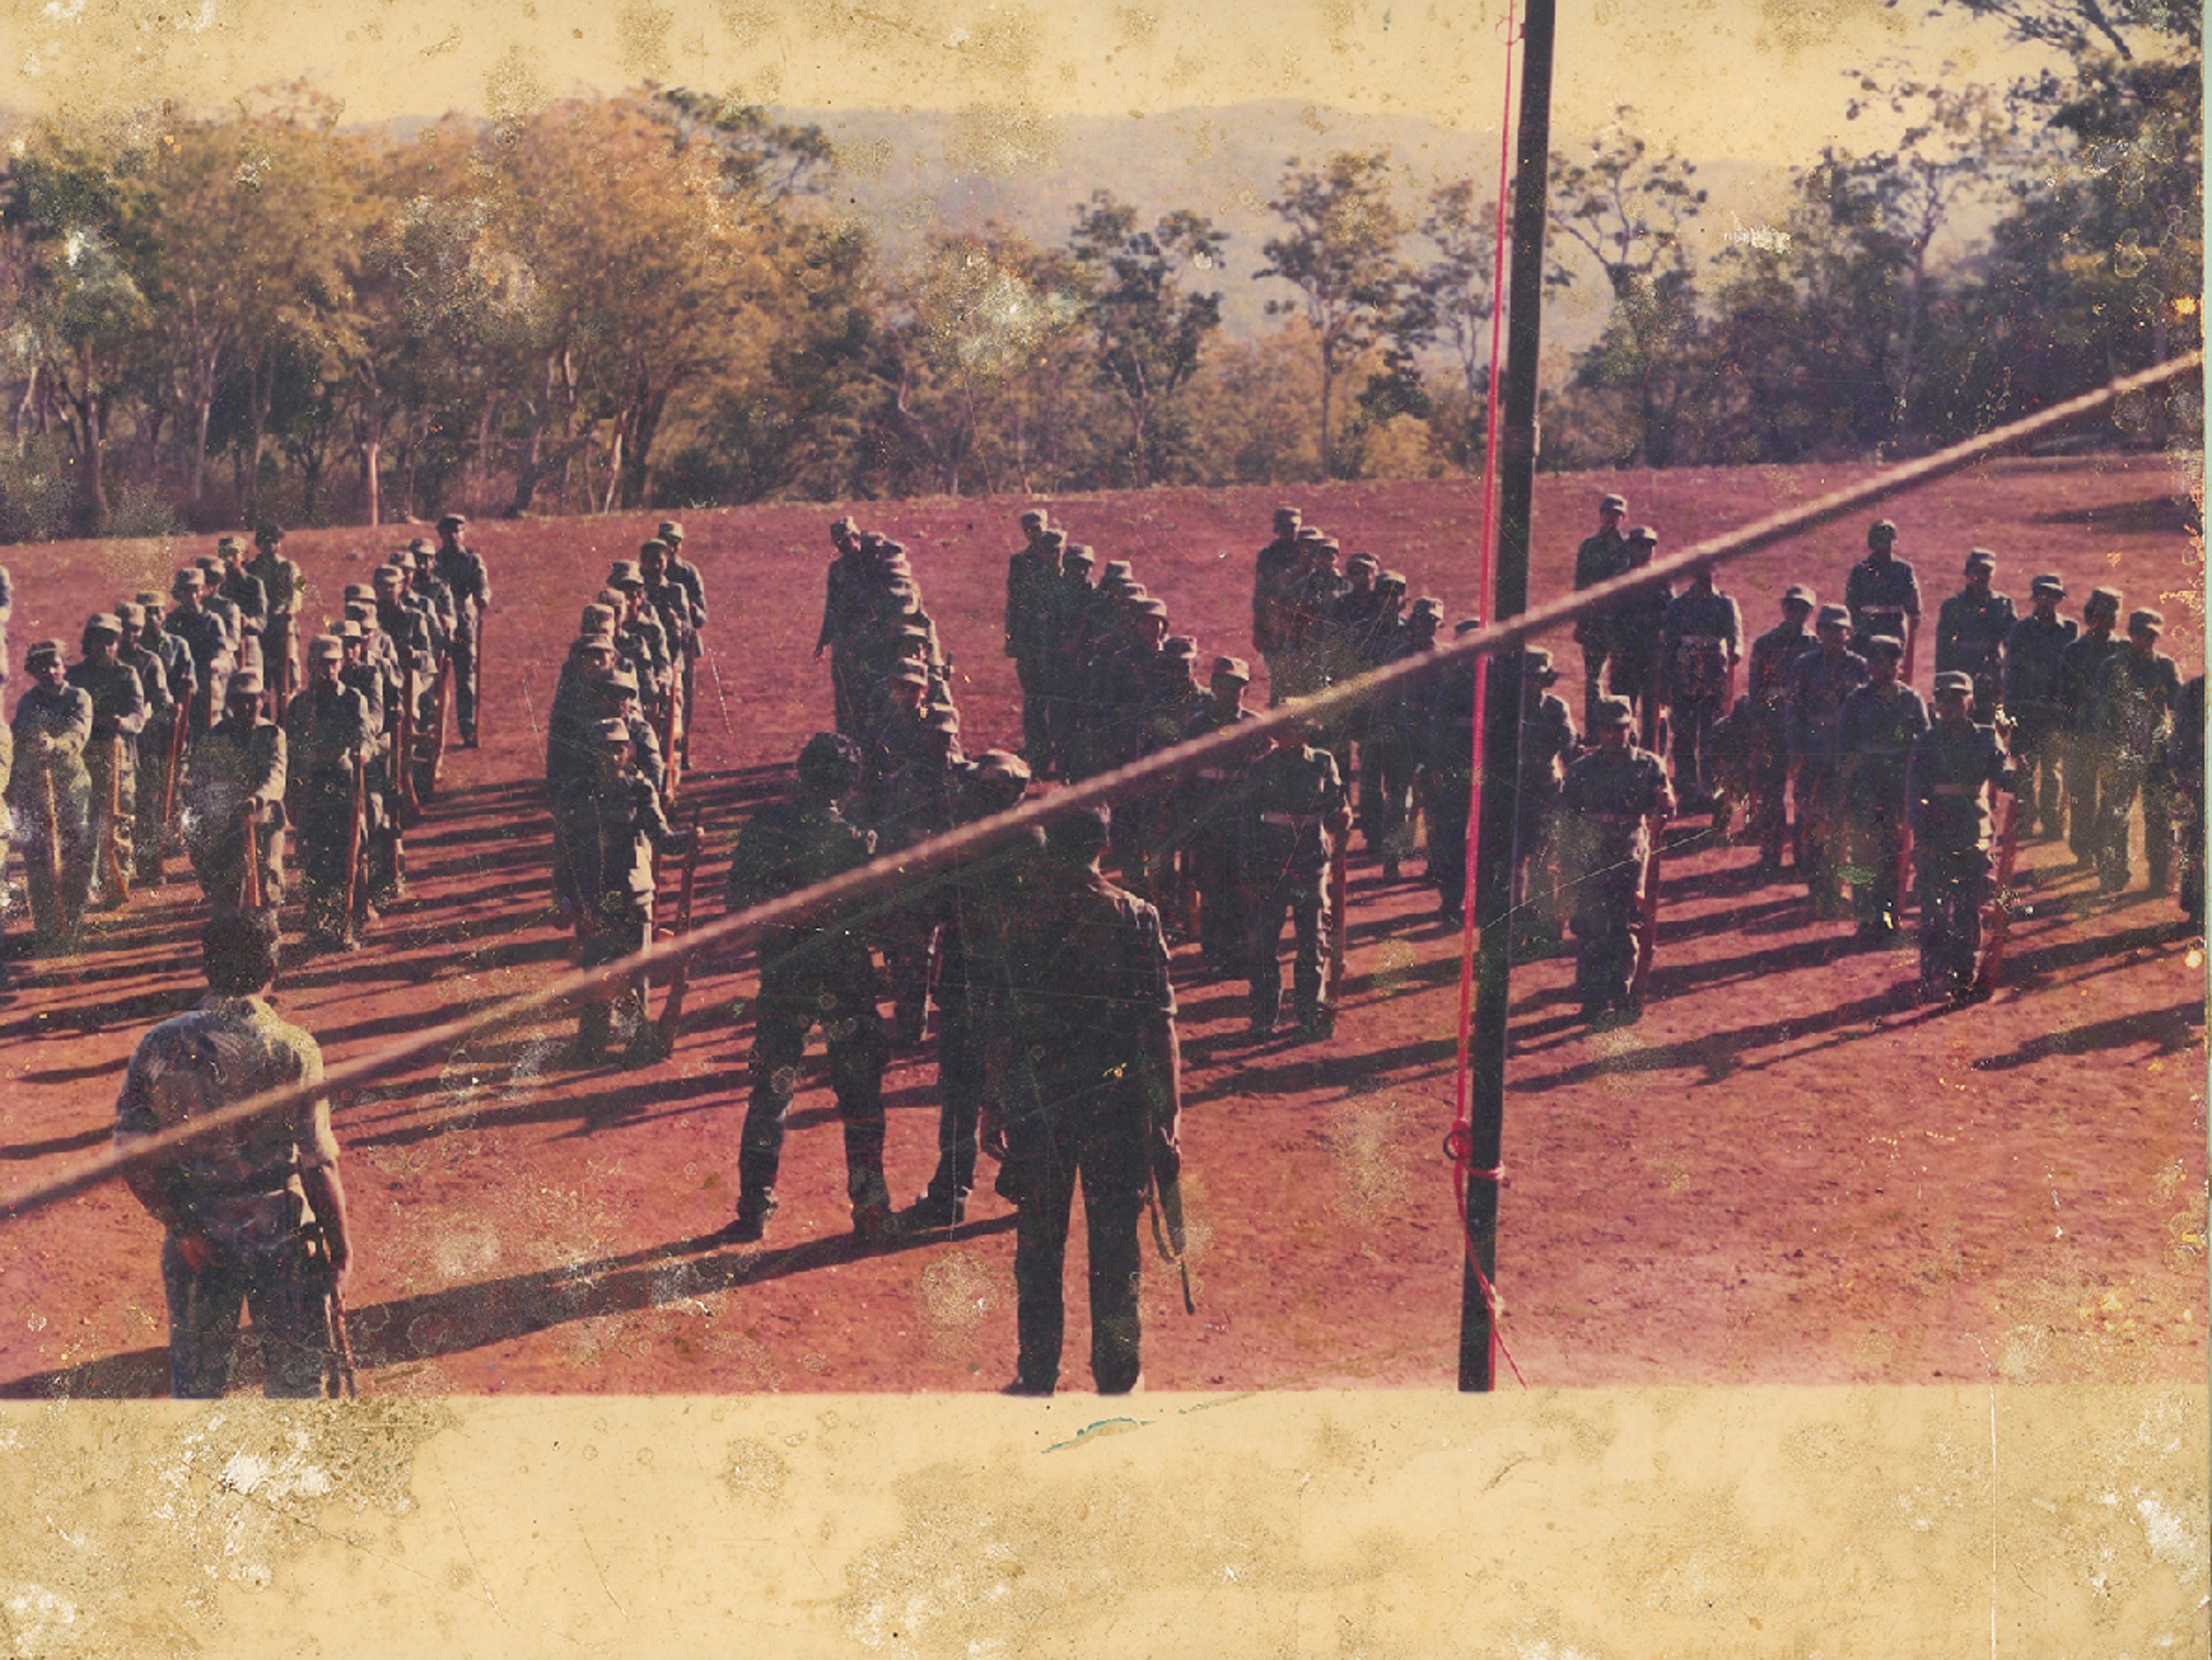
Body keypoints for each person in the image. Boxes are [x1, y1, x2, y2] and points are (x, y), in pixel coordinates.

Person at [113, 909, 351, 1398]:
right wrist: (341, 1248)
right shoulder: (294, 1048)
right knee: (297, 1394)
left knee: (199, 1395)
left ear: (207, 967)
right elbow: (318, 1163)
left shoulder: (161, 1044)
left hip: (198, 1241)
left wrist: (181, 1226)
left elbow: (130, 1152)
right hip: (282, 1238)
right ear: (272, 968)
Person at [992, 803, 1180, 1397]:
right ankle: (1118, 1376)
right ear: (1104, 845)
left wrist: (992, 1103)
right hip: (1116, 1100)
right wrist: (1167, 1115)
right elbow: (1159, 1026)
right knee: (1116, 1247)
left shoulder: (1022, 916)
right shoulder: (1136, 918)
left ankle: (1037, 1372)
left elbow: (1003, 1019)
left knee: (1039, 1246)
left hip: (1040, 1099)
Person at [723, 733, 895, 1245]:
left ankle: (755, 1205)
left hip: (786, 974)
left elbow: (738, 902)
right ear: (849, 785)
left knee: (772, 1089)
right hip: (845, 977)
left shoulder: (762, 829)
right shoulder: (857, 842)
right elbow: (881, 919)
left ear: (801, 774)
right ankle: (869, 1205)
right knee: (860, 1092)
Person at [908, 748, 1035, 1229]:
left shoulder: (966, 844)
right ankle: (1029, 1183)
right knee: (1018, 1082)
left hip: (968, 980)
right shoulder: (1033, 839)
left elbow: (933, 905)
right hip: (1017, 983)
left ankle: (953, 1191)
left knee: (961, 1090)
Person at [553, 718, 690, 1065]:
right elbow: (564, 852)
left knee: (635, 973)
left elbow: (661, 839)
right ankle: (593, 1042)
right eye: (603, 749)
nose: (611, 756)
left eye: (618, 748)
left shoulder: (638, 789)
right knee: (596, 971)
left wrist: (690, 841)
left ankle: (636, 1043)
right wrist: (564, 898)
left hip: (633, 894)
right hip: (594, 896)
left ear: (628, 751)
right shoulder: (573, 796)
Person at [1557, 696, 1674, 1022]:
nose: (1614, 736)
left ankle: (1622, 993)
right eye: (1607, 729)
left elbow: (1666, 806)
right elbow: (1567, 817)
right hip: (1591, 854)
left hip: (1630, 853)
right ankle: (1592, 999)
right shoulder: (1581, 770)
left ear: (1630, 729)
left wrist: (1666, 802)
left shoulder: (1648, 765)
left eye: (1620, 729)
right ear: (1597, 731)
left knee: (1625, 927)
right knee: (1592, 928)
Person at [1239, 708, 1351, 1039]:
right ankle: (1263, 1018)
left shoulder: (1322, 763)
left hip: (1310, 864)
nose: (1291, 733)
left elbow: (1334, 808)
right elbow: (1248, 822)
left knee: (1311, 942)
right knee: (1264, 946)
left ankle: (1308, 1016)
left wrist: (1342, 816)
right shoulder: (1260, 768)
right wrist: (1249, 870)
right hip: (1270, 866)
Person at [1906, 672, 2016, 1003]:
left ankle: (1964, 975)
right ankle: (1933, 975)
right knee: (1934, 910)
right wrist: (1922, 836)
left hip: (1973, 831)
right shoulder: (1926, 741)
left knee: (1968, 909)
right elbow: (1914, 794)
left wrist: (2018, 774)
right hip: (1935, 833)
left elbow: (2002, 773)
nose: (1951, 706)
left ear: (1970, 702)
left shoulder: (1985, 738)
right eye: (1945, 699)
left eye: (1958, 699)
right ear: (1936, 704)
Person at [283, 637, 374, 950]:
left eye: (334, 663)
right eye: (323, 663)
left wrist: (363, 751)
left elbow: (365, 735)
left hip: (343, 780)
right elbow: (290, 751)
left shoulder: (353, 699)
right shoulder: (299, 705)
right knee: (312, 858)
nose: (330, 669)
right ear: (311, 666)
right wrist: (291, 797)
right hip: (311, 783)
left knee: (348, 853)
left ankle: (348, 923)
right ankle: (318, 924)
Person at [1836, 636, 1929, 942]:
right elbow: (1844, 748)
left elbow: (1925, 744)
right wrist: (1847, 787)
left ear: (1899, 665)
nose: (1882, 667)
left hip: (1898, 789)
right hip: (1865, 788)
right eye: (1875, 661)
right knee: (1862, 857)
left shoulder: (1911, 700)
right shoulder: (1856, 700)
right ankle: (1865, 918)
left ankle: (1889, 919)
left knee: (1894, 855)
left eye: (1889, 661)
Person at [7, 639, 94, 952]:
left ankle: (71, 924)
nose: (50, 671)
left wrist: (54, 745)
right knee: (38, 860)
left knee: (74, 856)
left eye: (55, 664)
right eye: (42, 666)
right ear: (34, 671)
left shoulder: (78, 697)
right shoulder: (29, 702)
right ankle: (47, 928)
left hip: (70, 787)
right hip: (35, 790)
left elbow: (78, 734)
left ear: (64, 666)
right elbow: (18, 740)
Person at [1181, 656, 1263, 977]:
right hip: (1209, 818)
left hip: (1243, 819)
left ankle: (1240, 955)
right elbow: (1185, 776)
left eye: (1237, 686)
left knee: (1244, 888)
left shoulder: (1254, 726)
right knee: (1213, 892)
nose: (1231, 692)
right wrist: (1187, 820)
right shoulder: (1197, 727)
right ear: (1214, 687)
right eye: (1224, 685)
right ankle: (1214, 956)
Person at [1787, 604, 1871, 916]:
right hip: (1813, 756)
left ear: (1849, 633)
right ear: (1819, 632)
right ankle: (1815, 887)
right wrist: (1795, 752)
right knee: (1811, 823)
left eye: (1841, 629)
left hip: (1847, 757)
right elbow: (1793, 711)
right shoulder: (1804, 666)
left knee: (1842, 825)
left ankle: (1837, 888)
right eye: (1828, 629)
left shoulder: (1860, 667)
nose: (1835, 635)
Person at [2091, 607, 2181, 896]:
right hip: (2122, 752)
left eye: (2153, 635)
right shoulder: (2111, 667)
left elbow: (2179, 709)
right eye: (2143, 634)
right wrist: (2106, 750)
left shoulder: (2166, 667)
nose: (2148, 641)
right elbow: (2101, 713)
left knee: (2159, 816)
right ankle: (2113, 876)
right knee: (2114, 816)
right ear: (2131, 634)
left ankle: (2159, 880)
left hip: (2156, 753)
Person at [182, 669, 287, 915]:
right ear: (230, 704)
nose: (248, 706)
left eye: (253, 699)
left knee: (265, 879)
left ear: (262, 701)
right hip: (226, 816)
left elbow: (276, 775)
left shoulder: (271, 735)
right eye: (241, 700)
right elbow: (200, 777)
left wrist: (257, 799)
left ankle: (265, 935)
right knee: (224, 882)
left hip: (264, 816)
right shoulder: (215, 737)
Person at [68, 612, 150, 909]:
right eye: (98, 640)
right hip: (85, 756)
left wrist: (122, 722)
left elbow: (138, 715)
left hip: (118, 755)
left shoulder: (126, 674)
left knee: (119, 820)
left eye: (110, 641)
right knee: (85, 821)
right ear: (88, 643)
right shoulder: (75, 676)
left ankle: (118, 883)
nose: (104, 647)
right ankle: (86, 886)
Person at [1658, 560, 1742, 814]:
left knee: (1712, 731)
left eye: (1709, 571)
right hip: (1685, 675)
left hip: (1714, 676)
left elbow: (1736, 635)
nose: (1704, 576)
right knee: (1683, 733)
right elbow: (1669, 646)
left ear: (1715, 573)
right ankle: (1686, 786)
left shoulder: (1725, 604)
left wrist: (1735, 651)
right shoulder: (1678, 605)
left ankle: (1709, 787)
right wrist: (1665, 682)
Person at [1745, 585, 1817, 876]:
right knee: (1771, 792)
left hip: (1803, 729)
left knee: (1803, 793)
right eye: (1792, 606)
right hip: (1773, 726)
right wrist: (1758, 723)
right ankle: (1771, 851)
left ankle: (1802, 853)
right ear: (1784, 608)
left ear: (1809, 612)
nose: (1796, 613)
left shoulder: (1816, 645)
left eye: (1803, 608)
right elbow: (1755, 689)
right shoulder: (1765, 644)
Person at [1422, 620, 1488, 926]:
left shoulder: (1499, 680)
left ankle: (1485, 899)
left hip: (1489, 771)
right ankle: (1452, 899)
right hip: (1455, 770)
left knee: (1488, 837)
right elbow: (1438, 730)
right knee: (1451, 837)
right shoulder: (1452, 681)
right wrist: (1437, 767)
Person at [2002, 574, 2077, 841]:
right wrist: (2009, 712)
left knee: (2052, 772)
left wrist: (2068, 712)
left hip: (2053, 714)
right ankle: (2024, 822)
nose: (2046, 601)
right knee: (2024, 769)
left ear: (2059, 599)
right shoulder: (2020, 631)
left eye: (2052, 596)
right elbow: (2011, 673)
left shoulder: (2069, 630)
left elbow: (2072, 675)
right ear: (2035, 598)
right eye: (2041, 595)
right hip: (2024, 712)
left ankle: (2051, 824)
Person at [2056, 587, 2126, 870]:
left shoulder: (2122, 651)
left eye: (2111, 616)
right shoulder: (2073, 652)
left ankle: (2101, 848)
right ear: (2090, 616)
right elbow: (2063, 695)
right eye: (2101, 615)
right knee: (2081, 796)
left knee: (2112, 798)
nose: (2106, 621)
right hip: (2081, 734)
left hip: (2112, 737)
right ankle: (2083, 850)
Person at [1516, 648, 1579, 954]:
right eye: (1526, 678)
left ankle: (1542, 932)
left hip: (1545, 792)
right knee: (1512, 869)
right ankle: (1512, 932)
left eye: (1537, 679)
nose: (1531, 684)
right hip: (1511, 795)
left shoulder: (1556, 709)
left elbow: (1567, 747)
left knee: (1543, 865)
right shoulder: (1505, 708)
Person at [115, 601, 180, 886]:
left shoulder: (150, 661)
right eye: (126, 629)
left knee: (148, 804)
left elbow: (164, 701)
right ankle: (119, 867)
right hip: (115, 742)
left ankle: (150, 864)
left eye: (136, 630)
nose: (131, 635)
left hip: (146, 742)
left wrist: (155, 713)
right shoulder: (108, 661)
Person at [1605, 527, 1671, 748]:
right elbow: (1611, 619)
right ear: (1630, 548)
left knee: (1655, 711)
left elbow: (1672, 614)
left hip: (1654, 655)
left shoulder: (1662, 579)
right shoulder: (1620, 580)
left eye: (1649, 547)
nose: (1644, 551)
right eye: (1640, 546)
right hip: (1627, 655)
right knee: (1625, 707)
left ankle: (1654, 757)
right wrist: (1616, 650)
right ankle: (1627, 754)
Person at [1004, 512, 1062, 765]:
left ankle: (1059, 751)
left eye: (1037, 527)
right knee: (1033, 699)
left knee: (1060, 700)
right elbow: (1013, 605)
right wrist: (1012, 640)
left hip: (1058, 646)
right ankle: (1038, 751)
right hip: (1030, 642)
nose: (1033, 533)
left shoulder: (1062, 557)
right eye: (1028, 529)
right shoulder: (1019, 562)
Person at [1571, 492, 1631, 723]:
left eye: (1617, 514)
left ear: (1623, 518)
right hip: (1594, 621)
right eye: (1608, 513)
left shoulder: (1629, 548)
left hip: (1621, 623)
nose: (1612, 519)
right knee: (1592, 679)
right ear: (1601, 515)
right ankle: (1594, 730)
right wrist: (1580, 620)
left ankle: (1621, 728)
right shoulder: (1588, 547)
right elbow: (1580, 585)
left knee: (1620, 679)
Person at [1934, 549, 2016, 718]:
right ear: (1968, 573)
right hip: (1960, 670)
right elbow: (1943, 647)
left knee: (1988, 723)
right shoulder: (1953, 605)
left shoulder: (2002, 604)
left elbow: (2013, 645)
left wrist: (2008, 682)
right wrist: (1941, 681)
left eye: (1986, 572)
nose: (1982, 577)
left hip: (1991, 672)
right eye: (1977, 571)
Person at [433, 512, 490, 747]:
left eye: (458, 531)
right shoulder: (434, 563)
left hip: (465, 628)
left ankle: (468, 729)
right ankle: (435, 732)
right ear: (441, 535)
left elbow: (483, 586)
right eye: (448, 532)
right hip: (440, 629)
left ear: (464, 534)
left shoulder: (472, 561)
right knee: (437, 681)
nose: (453, 536)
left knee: (466, 681)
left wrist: (483, 597)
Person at [1844, 520, 1922, 682]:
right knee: (1865, 670)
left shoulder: (1904, 569)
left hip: (1894, 625)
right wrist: (1858, 629)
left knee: (1894, 669)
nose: (1883, 545)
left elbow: (1913, 605)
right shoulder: (1860, 570)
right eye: (1879, 540)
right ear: (1871, 543)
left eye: (1887, 541)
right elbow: (1851, 605)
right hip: (1867, 625)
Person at [164, 567, 234, 737]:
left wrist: (215, 664)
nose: (192, 596)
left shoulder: (211, 620)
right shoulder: (172, 620)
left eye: (196, 590)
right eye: (186, 591)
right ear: (179, 593)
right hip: (179, 684)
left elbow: (221, 652)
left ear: (202, 591)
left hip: (206, 683)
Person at [1251, 506, 1306, 701]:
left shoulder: (1309, 551)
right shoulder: (1268, 555)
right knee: (1279, 679)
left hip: (1304, 624)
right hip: (1276, 625)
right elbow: (1260, 595)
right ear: (1277, 528)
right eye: (1284, 527)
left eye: (1293, 527)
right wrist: (1258, 629)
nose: (1289, 532)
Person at [245, 522, 304, 701]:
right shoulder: (250, 569)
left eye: (275, 541)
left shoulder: (289, 567)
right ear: (259, 544)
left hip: (282, 626)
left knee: (288, 674)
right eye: (266, 541)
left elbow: (299, 589)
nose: (271, 546)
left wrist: (290, 609)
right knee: (258, 674)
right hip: (260, 628)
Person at [2166, 672, 2205, 927]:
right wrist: (2181, 775)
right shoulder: (2192, 691)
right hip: (2198, 778)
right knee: (2193, 845)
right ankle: (2196, 909)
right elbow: (2179, 738)